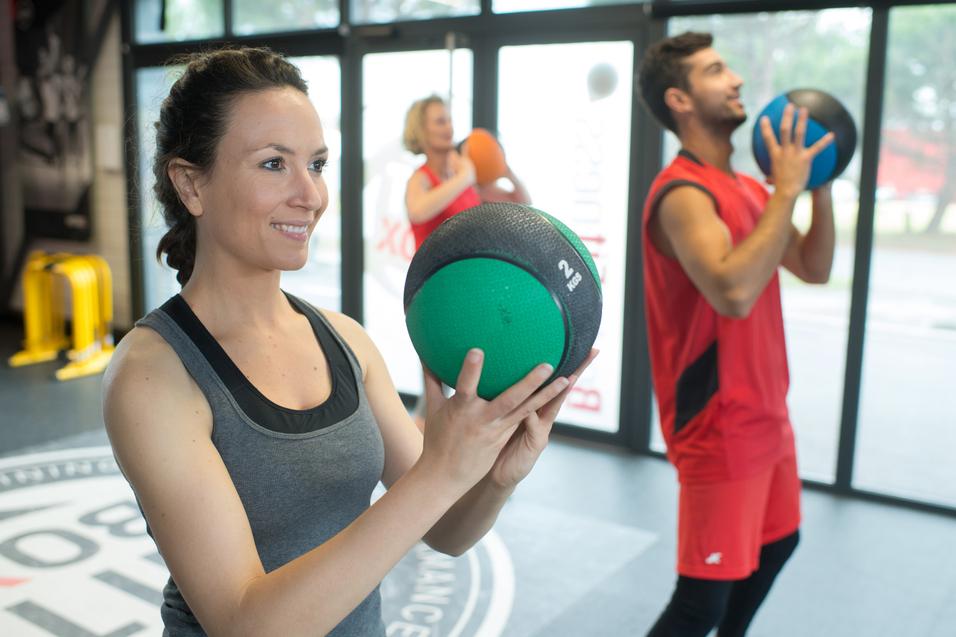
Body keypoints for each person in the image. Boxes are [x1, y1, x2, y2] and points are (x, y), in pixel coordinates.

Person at [102, 47, 595, 636]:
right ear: (191, 184)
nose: (309, 195)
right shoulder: (154, 374)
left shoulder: (345, 341)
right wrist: (439, 472)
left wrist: (494, 477)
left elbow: (447, 530)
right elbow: (243, 624)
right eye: (272, 165)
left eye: (316, 164)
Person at [637, 32, 836, 636]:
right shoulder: (683, 194)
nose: (736, 80)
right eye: (716, 71)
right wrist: (789, 191)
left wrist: (819, 183)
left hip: (767, 412)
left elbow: (815, 267)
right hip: (718, 424)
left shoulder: (749, 189)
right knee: (702, 601)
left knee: (778, 544)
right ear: (680, 99)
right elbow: (733, 290)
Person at [402, 95, 531, 428]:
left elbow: (523, 204)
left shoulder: (465, 175)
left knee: (468, 387)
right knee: (434, 389)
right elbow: (419, 210)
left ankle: (461, 465)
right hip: (435, 294)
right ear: (422, 129)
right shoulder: (423, 179)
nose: (449, 127)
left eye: (449, 119)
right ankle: (416, 461)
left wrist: (505, 168)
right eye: (439, 121)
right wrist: (465, 176)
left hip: (471, 294)